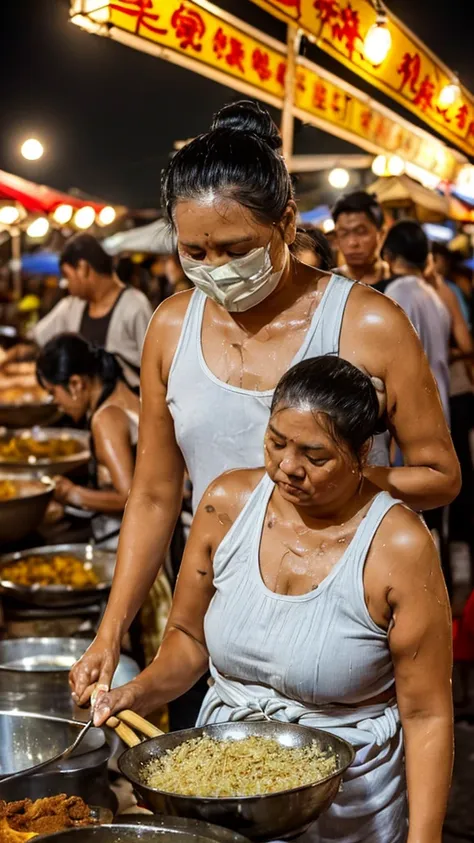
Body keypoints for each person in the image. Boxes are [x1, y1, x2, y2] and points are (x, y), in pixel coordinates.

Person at [69, 100, 459, 713]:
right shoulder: (170, 327)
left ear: (287, 221)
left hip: (342, 601)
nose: (215, 270)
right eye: (194, 254)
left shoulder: (368, 323)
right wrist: (110, 632)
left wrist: (330, 488)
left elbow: (440, 475)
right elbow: (153, 494)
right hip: (210, 601)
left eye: (235, 248)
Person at [94, 356, 453, 843]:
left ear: (363, 451)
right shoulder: (227, 504)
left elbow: (426, 714)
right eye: (276, 442)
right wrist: (137, 692)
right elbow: (188, 638)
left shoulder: (399, 546)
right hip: (221, 791)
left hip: (349, 801)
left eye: (315, 454)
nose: (287, 467)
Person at [5, 235, 153, 390]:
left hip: (130, 409)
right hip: (86, 411)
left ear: (83, 268)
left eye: (67, 276)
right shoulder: (72, 307)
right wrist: (15, 353)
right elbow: (36, 340)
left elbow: (155, 368)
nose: (67, 285)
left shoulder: (135, 306)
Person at [36, 333, 140, 547]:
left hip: (129, 544)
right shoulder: (123, 391)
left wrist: (73, 494)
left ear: (75, 384)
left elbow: (130, 497)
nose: (56, 403)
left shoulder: (106, 419)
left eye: (53, 393)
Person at [382, 221, 451, 420]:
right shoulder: (434, 296)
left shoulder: (398, 292)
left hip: (414, 415)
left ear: (388, 255)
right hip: (439, 409)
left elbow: (396, 360)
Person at [332, 191, 391, 289]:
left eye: (360, 232)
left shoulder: (399, 282)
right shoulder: (329, 284)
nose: (352, 243)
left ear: (381, 234)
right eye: (344, 233)